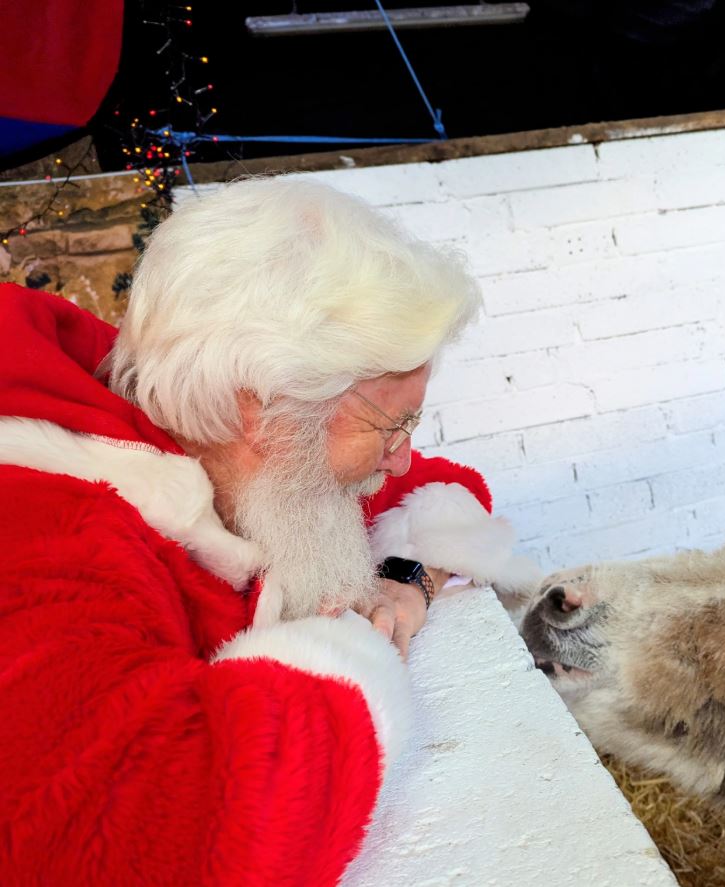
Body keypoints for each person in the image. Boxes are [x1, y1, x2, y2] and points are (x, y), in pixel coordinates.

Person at [0, 176, 534, 885]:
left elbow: (440, 484)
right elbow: (186, 832)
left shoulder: (223, 440)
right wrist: (353, 650)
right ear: (266, 408)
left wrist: (409, 577)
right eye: (391, 422)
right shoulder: (43, 534)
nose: (404, 453)